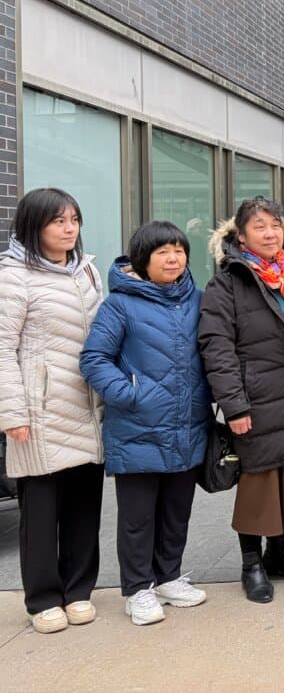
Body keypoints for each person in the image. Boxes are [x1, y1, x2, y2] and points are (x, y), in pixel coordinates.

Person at [80, 221, 212, 625]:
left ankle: (168, 576)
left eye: (178, 250)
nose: (173, 258)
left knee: (177, 511)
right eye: (162, 252)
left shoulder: (198, 300)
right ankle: (138, 589)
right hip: (138, 427)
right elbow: (94, 359)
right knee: (137, 517)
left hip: (187, 424)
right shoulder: (120, 304)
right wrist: (132, 395)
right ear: (143, 259)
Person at [199, 197, 284, 604]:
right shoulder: (228, 283)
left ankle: (278, 555)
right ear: (240, 236)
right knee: (258, 485)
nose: (270, 234)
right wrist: (234, 406)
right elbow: (217, 348)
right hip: (256, 398)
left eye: (274, 225)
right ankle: (251, 563)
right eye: (259, 227)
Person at [0, 189, 103, 634]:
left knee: (85, 505)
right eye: (58, 221)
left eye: (74, 220)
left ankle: (78, 589)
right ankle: (42, 597)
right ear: (33, 226)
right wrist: (12, 412)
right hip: (38, 412)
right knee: (40, 511)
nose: (69, 229)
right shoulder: (13, 276)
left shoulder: (87, 271)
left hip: (87, 405)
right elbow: (3, 348)